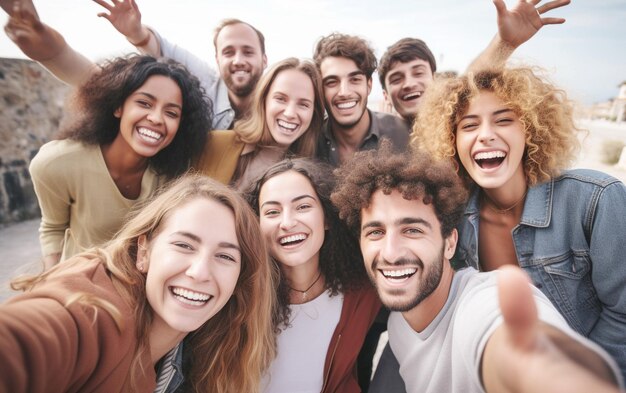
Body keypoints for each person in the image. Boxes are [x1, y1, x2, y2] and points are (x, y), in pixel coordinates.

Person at [331, 141, 624, 393]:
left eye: (412, 230)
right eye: (375, 232)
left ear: (449, 243)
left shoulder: (481, 301)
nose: (391, 253)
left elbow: (508, 344)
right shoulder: (399, 325)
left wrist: (544, 372)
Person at [413, 67, 626, 382]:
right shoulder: (453, 220)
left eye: (503, 120)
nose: (485, 134)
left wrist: (572, 378)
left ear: (531, 130)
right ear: (452, 142)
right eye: (468, 125)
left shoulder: (596, 200)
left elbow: (622, 315)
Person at [0, 174, 276, 393]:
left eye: (225, 256)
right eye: (183, 245)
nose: (200, 272)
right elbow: (23, 341)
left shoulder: (210, 348)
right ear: (143, 251)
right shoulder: (92, 311)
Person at [26, 54, 210, 269]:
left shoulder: (176, 173)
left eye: (171, 113)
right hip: (80, 284)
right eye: (144, 103)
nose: (157, 118)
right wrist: (52, 282)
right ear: (118, 107)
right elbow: (53, 228)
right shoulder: (56, 163)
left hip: (139, 288)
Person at [245, 158, 380, 393]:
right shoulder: (239, 298)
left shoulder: (362, 292)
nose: (287, 223)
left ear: (327, 217)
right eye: (272, 211)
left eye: (303, 207)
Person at [377, 0, 571, 125]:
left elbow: (468, 84)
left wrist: (504, 44)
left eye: (418, 72)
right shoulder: (377, 137)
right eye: (396, 78)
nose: (409, 83)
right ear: (385, 96)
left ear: (435, 81)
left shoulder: (456, 126)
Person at [94, 0, 267, 129]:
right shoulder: (206, 81)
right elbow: (164, 51)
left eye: (248, 52)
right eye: (228, 52)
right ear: (217, 60)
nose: (238, 61)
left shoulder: (279, 98)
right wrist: (137, 33)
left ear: (264, 60)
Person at [197, 57, 324, 190]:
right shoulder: (213, 143)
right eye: (280, 99)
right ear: (263, 100)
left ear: (313, 113)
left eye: (303, 104)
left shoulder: (311, 177)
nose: (290, 113)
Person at [313, 33, 410, 167]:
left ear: (369, 85)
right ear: (320, 89)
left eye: (355, 80)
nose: (344, 92)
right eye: (331, 82)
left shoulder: (403, 134)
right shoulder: (310, 144)